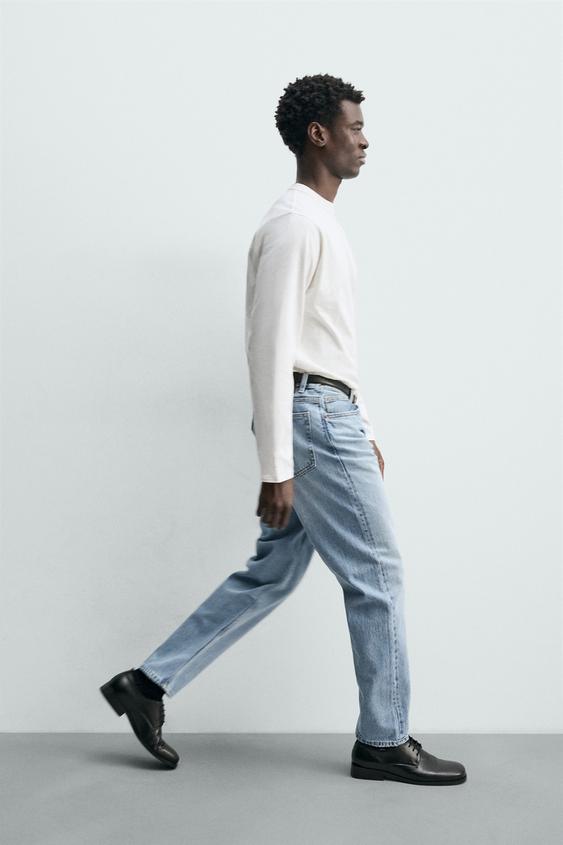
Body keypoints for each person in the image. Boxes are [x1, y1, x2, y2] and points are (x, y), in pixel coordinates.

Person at [100, 73, 467, 786]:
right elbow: (269, 347)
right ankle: (383, 740)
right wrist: (277, 465)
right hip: (311, 420)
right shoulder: (295, 223)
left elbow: (328, 343)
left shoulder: (319, 222)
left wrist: (362, 424)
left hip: (326, 416)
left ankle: (145, 684)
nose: (365, 140)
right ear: (317, 134)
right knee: (378, 574)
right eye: (354, 127)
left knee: (272, 573)